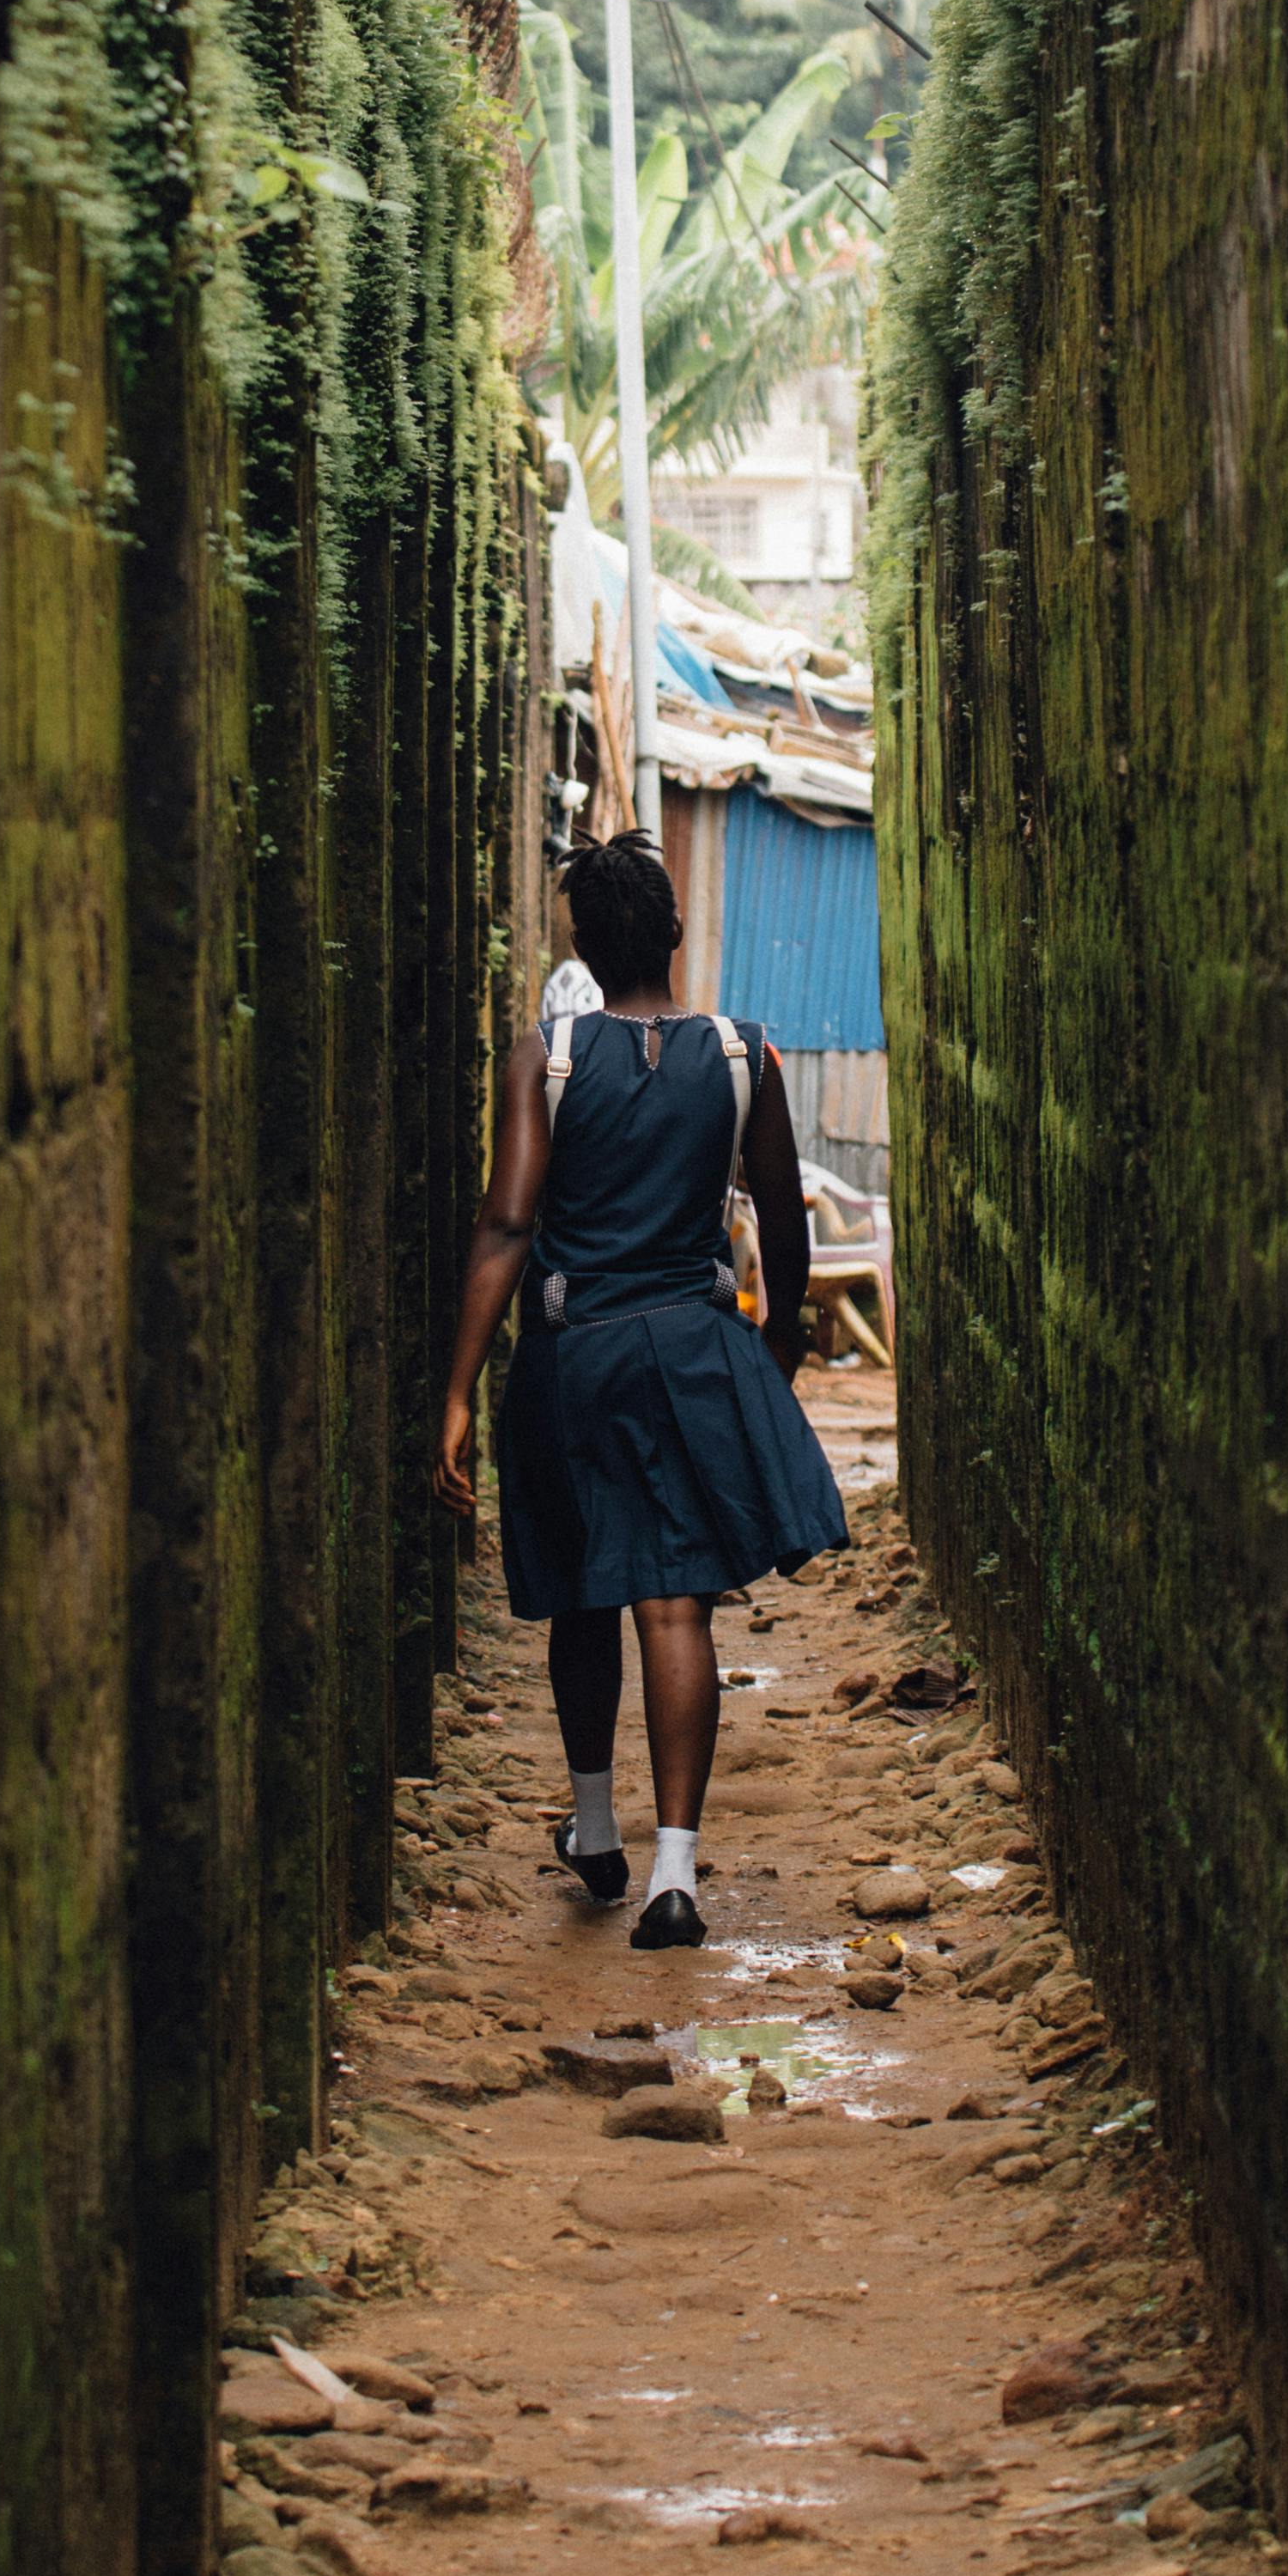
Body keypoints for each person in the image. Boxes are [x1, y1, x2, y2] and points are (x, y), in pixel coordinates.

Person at [432, 827, 848, 1949]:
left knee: (582, 1592)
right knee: (677, 1603)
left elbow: (508, 1225)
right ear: (671, 932)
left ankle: (594, 1822)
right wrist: (773, 1363)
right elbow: (781, 1223)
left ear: (581, 944)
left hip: (577, 1355)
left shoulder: (545, 1061)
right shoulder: (740, 1057)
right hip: (694, 1349)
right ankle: (677, 1873)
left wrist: (461, 1389)